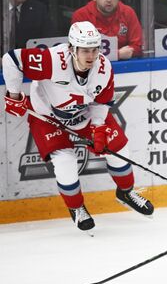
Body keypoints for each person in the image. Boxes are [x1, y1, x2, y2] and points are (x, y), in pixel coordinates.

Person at [2, 21, 154, 232]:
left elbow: (102, 102)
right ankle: (77, 208)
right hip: (47, 116)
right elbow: (11, 59)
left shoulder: (103, 68)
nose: (91, 56)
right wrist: (15, 95)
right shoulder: (52, 60)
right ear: (72, 48)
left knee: (118, 150)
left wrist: (99, 128)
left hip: (83, 113)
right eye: (84, 50)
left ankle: (126, 192)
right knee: (65, 163)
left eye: (95, 49)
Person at [71, 0, 143, 60]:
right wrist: (117, 54)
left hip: (126, 68)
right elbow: (78, 51)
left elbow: (138, 46)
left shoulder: (128, 13)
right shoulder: (81, 16)